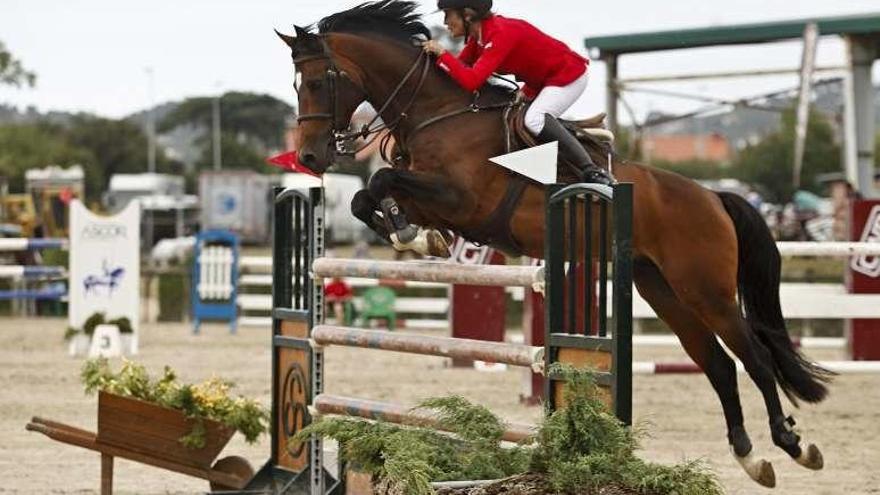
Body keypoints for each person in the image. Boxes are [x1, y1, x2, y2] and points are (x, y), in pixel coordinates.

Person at [422, 0, 612, 185]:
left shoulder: (500, 33)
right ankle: (574, 134)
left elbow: (472, 81)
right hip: (542, 82)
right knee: (515, 118)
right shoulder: (478, 38)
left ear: (468, 15)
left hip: (569, 75)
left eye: (448, 15)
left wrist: (443, 53)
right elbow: (459, 69)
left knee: (534, 119)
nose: (445, 22)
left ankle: (592, 170)